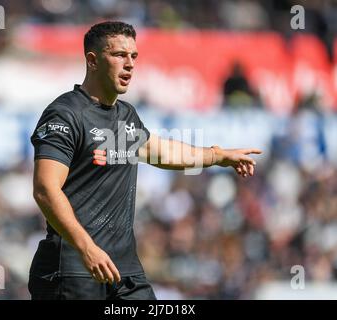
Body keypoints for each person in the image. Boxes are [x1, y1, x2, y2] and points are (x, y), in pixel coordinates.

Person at [28, 21, 262, 300]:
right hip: (73, 266)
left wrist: (217, 155)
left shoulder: (125, 116)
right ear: (92, 60)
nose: (129, 64)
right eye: (118, 55)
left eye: (134, 56)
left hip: (124, 269)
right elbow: (45, 188)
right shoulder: (65, 114)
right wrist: (86, 247)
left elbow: (160, 152)